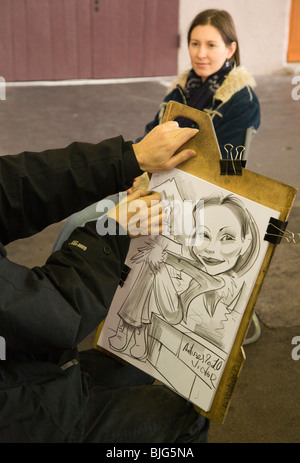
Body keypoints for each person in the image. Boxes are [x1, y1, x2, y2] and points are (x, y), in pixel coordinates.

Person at [0, 122, 210, 443]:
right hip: (21, 412)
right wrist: (111, 229)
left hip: (26, 368)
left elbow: (13, 187)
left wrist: (128, 158)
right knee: (183, 418)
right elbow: (52, 313)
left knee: (139, 364)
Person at [139, 9, 261, 160]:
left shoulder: (242, 102)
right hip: (159, 174)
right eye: (195, 44)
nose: (200, 54)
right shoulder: (181, 89)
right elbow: (152, 134)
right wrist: (134, 161)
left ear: (230, 49)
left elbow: (229, 166)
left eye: (211, 45)